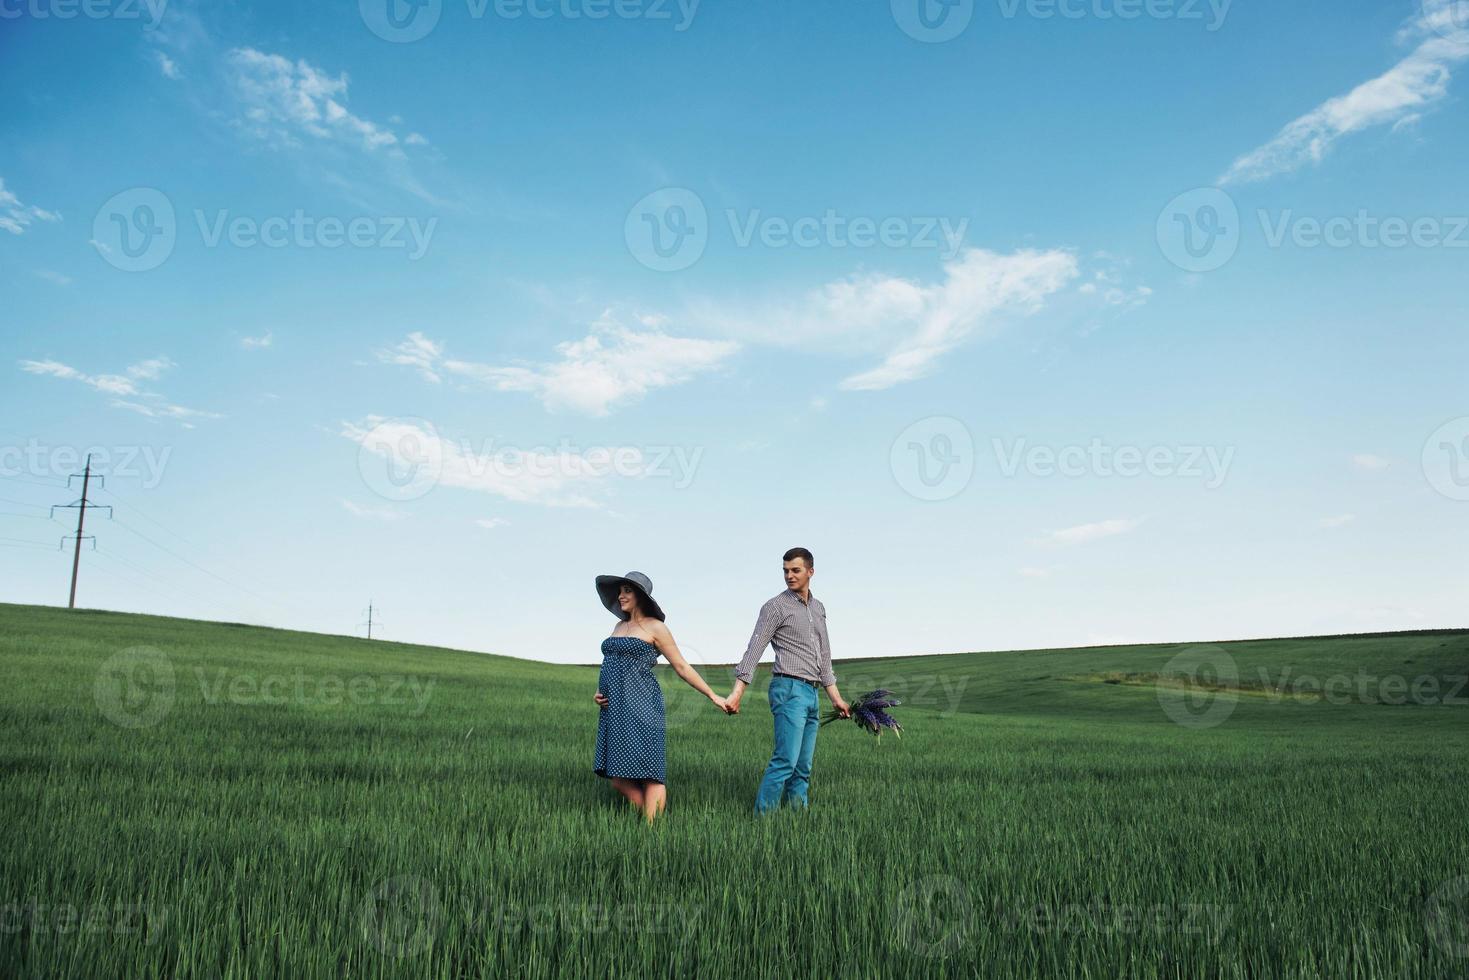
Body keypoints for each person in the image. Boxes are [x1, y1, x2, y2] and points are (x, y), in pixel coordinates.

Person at [591, 571, 733, 822]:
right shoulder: (618, 626)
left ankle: (650, 831)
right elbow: (610, 663)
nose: (621, 595)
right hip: (613, 709)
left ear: (641, 597)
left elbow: (682, 667)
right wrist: (599, 692)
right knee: (617, 776)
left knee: (649, 772)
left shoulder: (656, 627)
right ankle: (645, 817)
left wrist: (713, 695)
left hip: (643, 706)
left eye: (628, 591)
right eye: (620, 590)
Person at [726, 548, 850, 814]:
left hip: (812, 692)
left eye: (795, 570)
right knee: (785, 761)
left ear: (810, 571)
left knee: (803, 767)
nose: (789, 576)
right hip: (788, 688)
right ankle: (764, 821)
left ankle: (797, 821)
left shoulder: (819, 608)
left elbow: (824, 657)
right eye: (785, 571)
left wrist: (836, 698)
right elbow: (754, 649)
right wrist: (737, 693)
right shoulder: (775, 607)